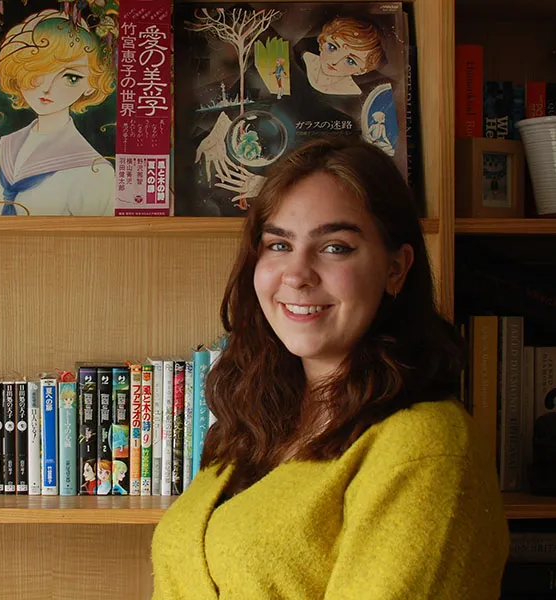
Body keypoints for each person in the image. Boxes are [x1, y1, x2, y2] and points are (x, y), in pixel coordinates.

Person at [151, 137, 509, 598]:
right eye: (278, 244)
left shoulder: (426, 443)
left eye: (335, 247)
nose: (297, 274)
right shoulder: (254, 423)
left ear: (396, 269)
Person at [0, 9, 116, 216]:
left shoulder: (94, 172)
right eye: (36, 71)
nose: (47, 87)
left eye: (71, 78)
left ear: (90, 85)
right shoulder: (4, 149)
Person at [302, 16, 385, 96]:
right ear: (322, 42)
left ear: (361, 70)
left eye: (350, 61)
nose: (334, 61)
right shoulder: (300, 58)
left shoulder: (354, 95)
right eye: (332, 47)